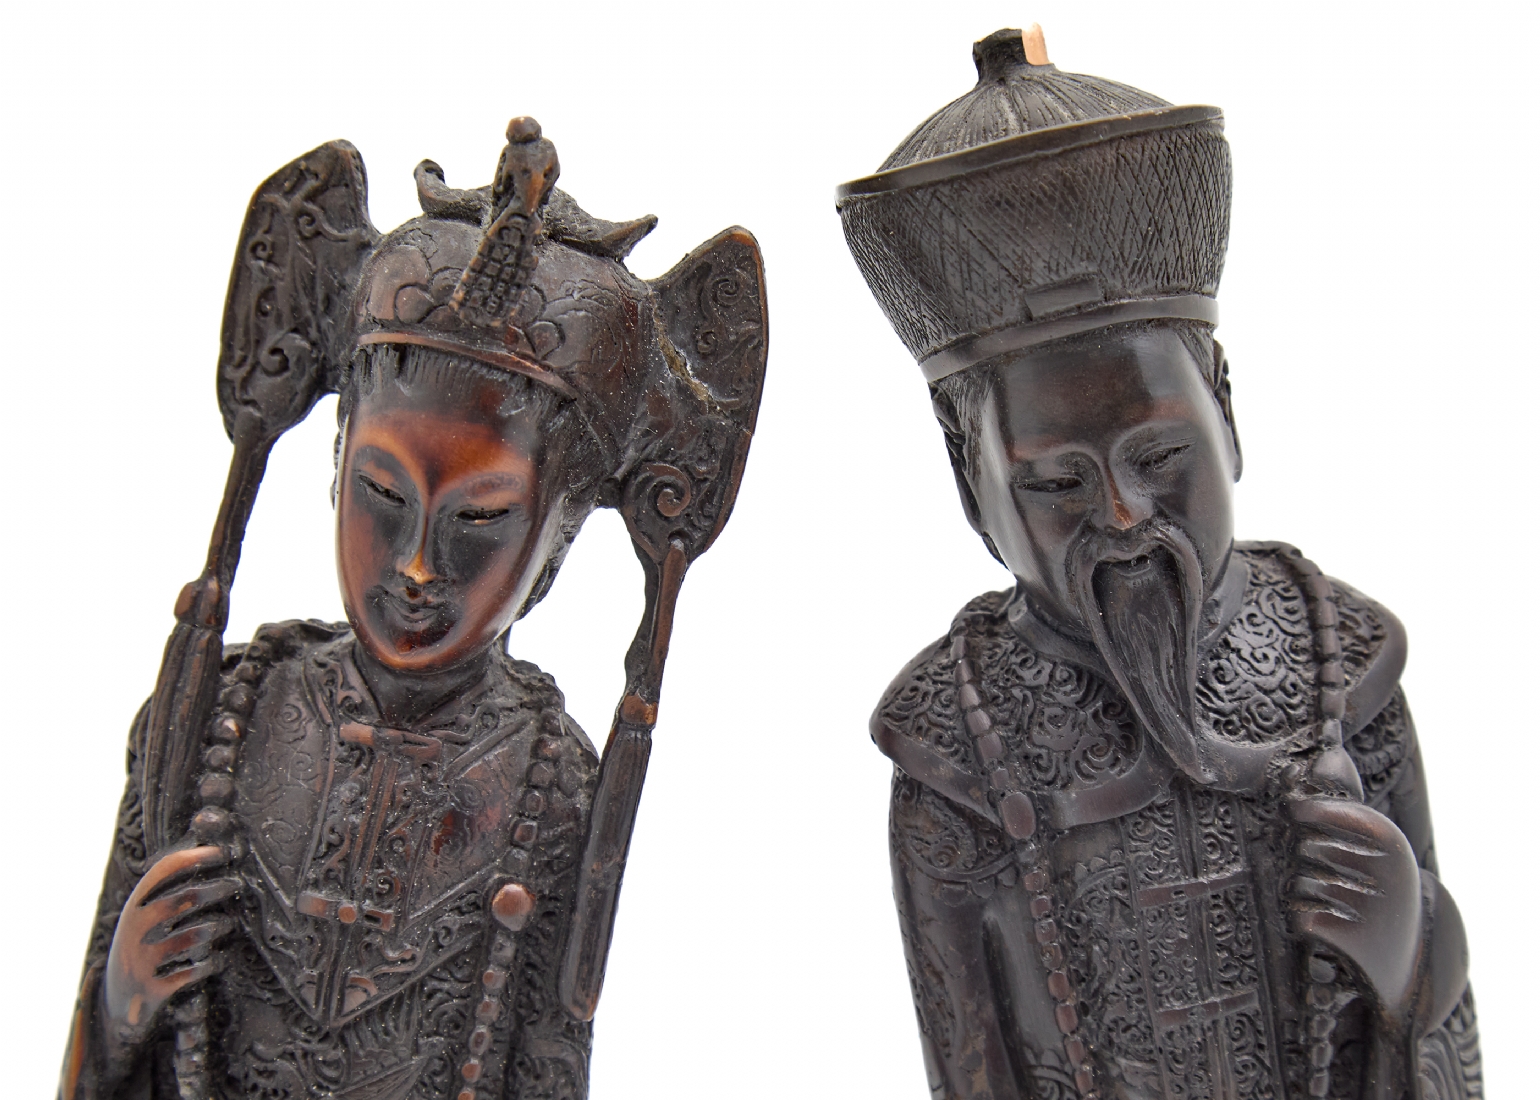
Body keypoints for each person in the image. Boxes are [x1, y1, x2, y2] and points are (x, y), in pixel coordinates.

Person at [62, 119, 767, 1100]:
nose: (418, 564)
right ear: (337, 461)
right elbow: (93, 1057)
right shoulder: (223, 714)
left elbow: (544, 1066)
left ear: (558, 535)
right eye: (381, 494)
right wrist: (123, 996)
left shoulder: (551, 790)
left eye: (480, 519)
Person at [838, 29, 1478, 1100]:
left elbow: (1439, 1024)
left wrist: (1407, 944)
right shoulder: (954, 745)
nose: (1124, 514)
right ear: (968, 476)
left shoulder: (1343, 665)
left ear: (1223, 411)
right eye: (1057, 483)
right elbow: (969, 1063)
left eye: (1160, 456)